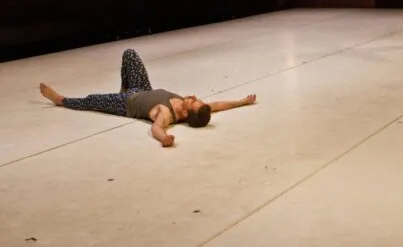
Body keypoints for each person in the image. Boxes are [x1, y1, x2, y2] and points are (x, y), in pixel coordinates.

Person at [39, 48, 257, 147]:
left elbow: (156, 128)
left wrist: (164, 139)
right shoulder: (192, 107)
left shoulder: (166, 114)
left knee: (92, 100)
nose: (192, 96)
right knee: (130, 54)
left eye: (192, 101)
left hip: (125, 103)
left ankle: (61, 100)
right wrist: (241, 101)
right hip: (141, 88)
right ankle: (123, 87)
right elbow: (217, 105)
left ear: (184, 113)